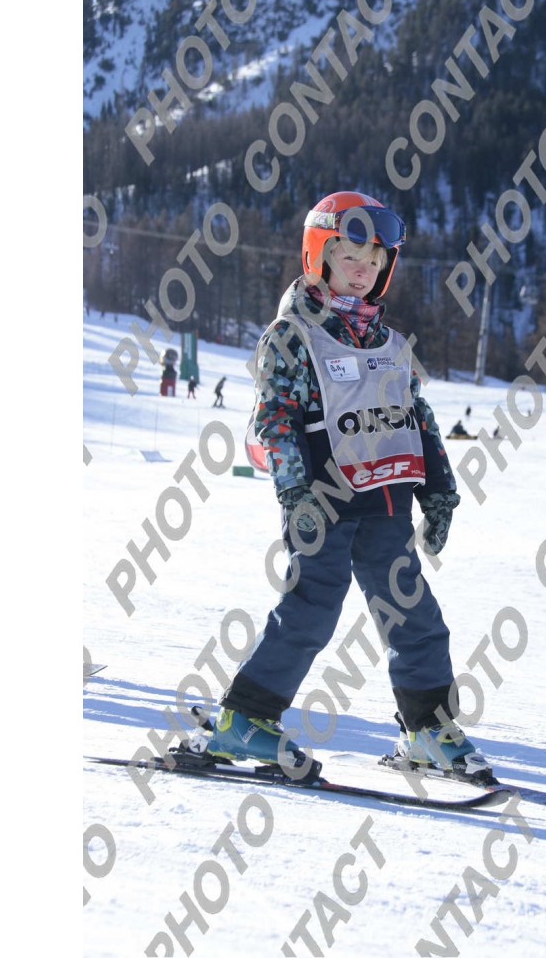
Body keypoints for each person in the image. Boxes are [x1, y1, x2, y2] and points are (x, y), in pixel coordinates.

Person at [191, 191, 490, 782]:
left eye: (375, 259)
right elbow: (274, 419)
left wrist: (439, 493)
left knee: (415, 615)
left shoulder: (391, 346)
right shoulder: (293, 336)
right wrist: (295, 493)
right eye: (350, 255)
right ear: (318, 255)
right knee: (312, 610)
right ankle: (244, 719)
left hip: (386, 502)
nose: (363, 269)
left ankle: (428, 730)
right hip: (321, 502)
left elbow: (418, 421)